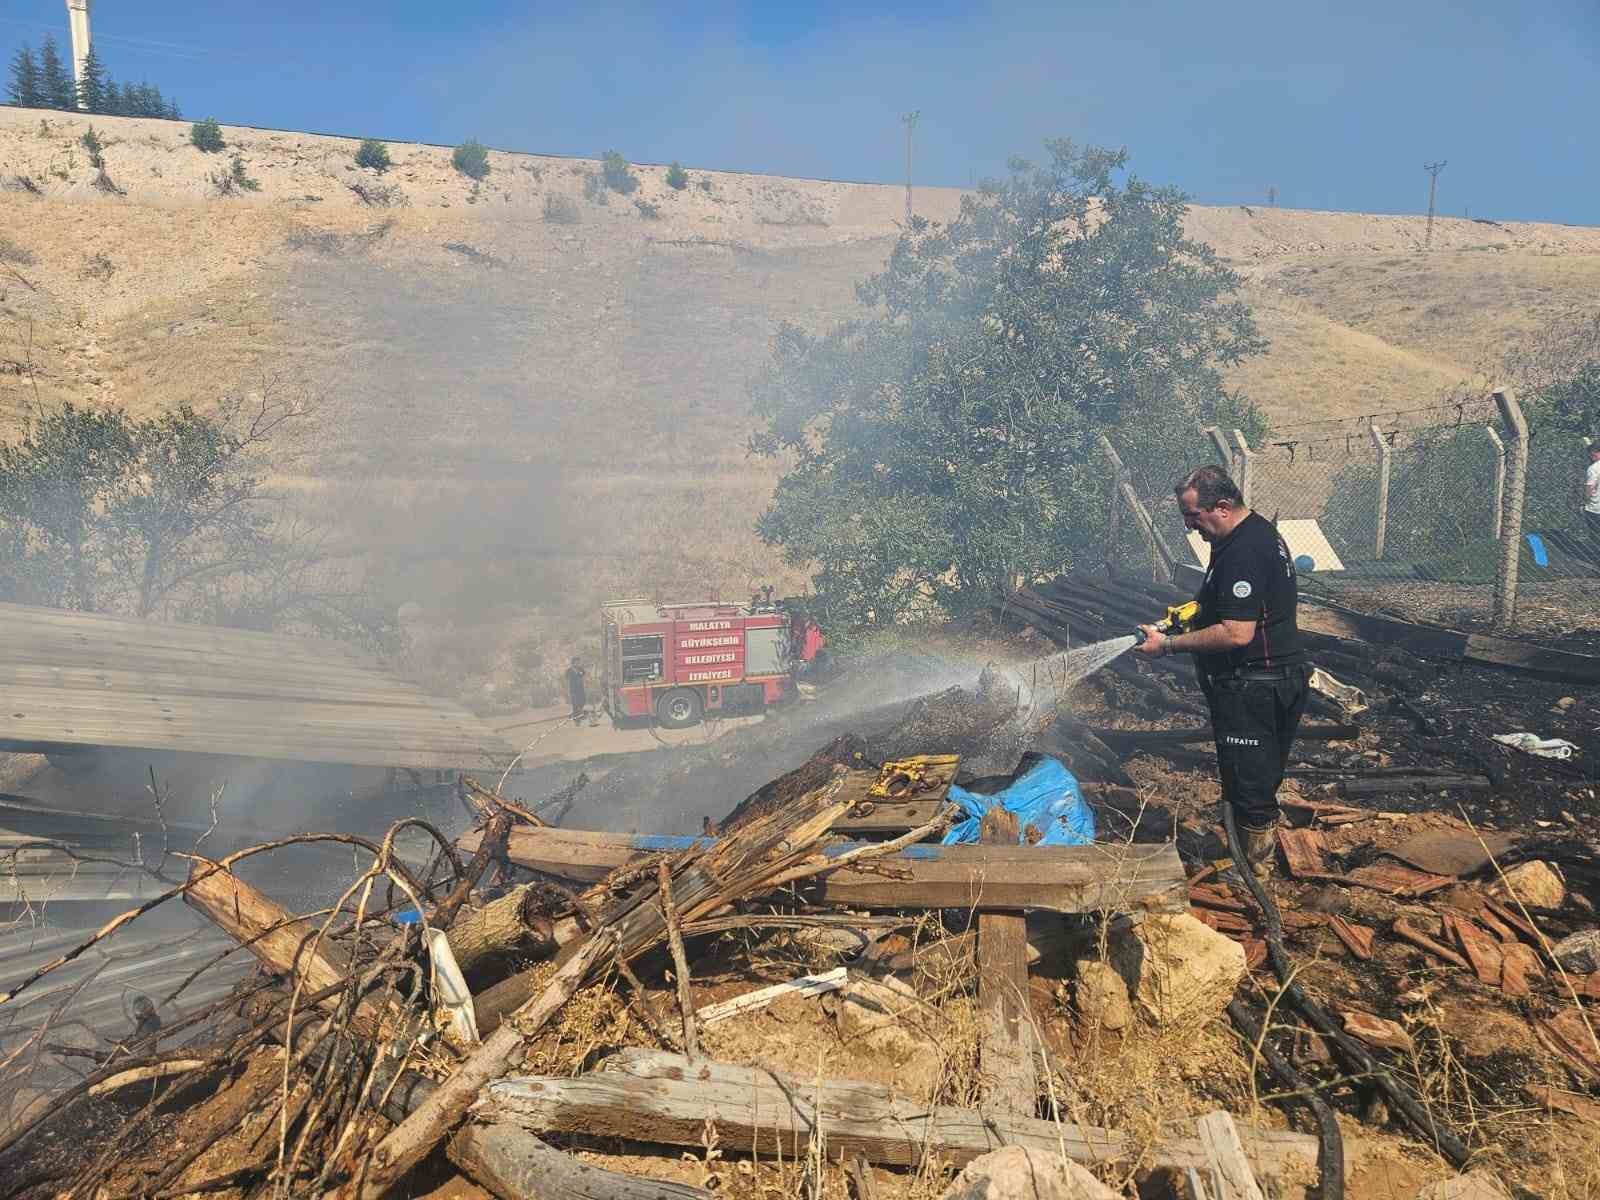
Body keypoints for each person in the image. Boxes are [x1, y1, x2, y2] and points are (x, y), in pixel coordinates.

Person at [1133, 465, 1309, 879]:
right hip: (1272, 680)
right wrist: (1184, 619)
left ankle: (1253, 873)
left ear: (1223, 507)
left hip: (1256, 686)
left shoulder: (1243, 552)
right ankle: (1247, 856)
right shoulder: (1249, 534)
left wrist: (1167, 646)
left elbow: (1235, 632)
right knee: (1253, 777)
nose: (1190, 527)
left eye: (1193, 516)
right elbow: (1226, 601)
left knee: (1250, 783)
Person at [1585, 442, 1600, 557]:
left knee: (1595, 535)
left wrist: (1585, 500)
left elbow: (1590, 488)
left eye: (1593, 453)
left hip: (1595, 508)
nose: (1591, 455)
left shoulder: (1593, 468)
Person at [565, 657, 588, 722]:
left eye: (579, 662)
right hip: (573, 689)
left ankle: (579, 714)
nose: (578, 663)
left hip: (580, 689)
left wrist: (580, 674)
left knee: (583, 701)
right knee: (575, 703)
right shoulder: (569, 670)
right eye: (576, 662)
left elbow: (583, 673)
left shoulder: (580, 669)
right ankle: (576, 719)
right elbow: (566, 677)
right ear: (573, 663)